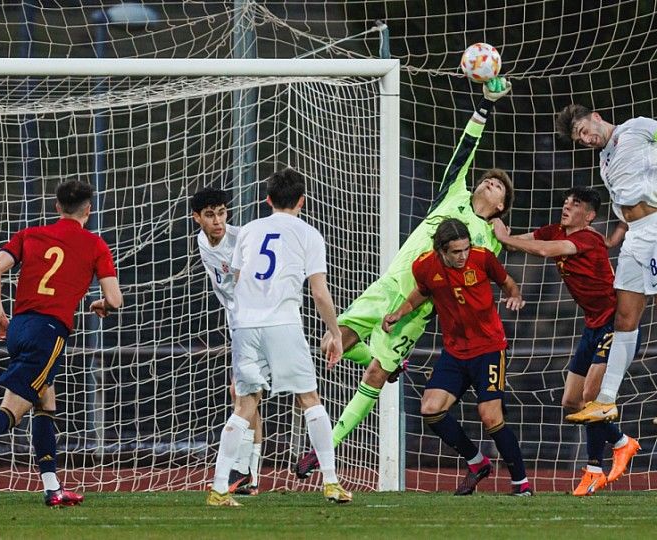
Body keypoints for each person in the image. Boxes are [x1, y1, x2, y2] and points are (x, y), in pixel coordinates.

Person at [295, 79, 515, 478]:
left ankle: (324, 448)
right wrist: (484, 106)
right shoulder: (453, 196)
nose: (489, 181)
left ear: (500, 204)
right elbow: (464, 150)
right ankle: (393, 364)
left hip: (416, 305)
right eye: (488, 178)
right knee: (336, 340)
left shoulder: (489, 242)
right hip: (387, 284)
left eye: (498, 185)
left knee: (374, 374)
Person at [0, 180, 123, 507]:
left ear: (57, 207)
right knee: (11, 412)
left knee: (46, 400)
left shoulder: (30, 235)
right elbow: (115, 298)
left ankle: (52, 488)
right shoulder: (95, 245)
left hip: (18, 327)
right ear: (88, 210)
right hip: (49, 333)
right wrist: (102, 304)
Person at [554, 104, 657, 425]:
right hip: (636, 238)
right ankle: (605, 401)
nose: (585, 138)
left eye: (584, 130)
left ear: (596, 118)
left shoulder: (637, 127)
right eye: (579, 138)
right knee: (625, 318)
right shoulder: (604, 162)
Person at [206, 168, 352, 507]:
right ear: (302, 200)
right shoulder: (309, 234)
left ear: (267, 199)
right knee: (309, 399)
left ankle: (218, 488)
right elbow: (319, 292)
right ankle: (330, 483)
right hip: (282, 322)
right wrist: (335, 333)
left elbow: (238, 278)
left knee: (245, 405)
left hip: (244, 324)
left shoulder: (249, 230)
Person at [492, 187, 641, 496]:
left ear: (589, 215)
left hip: (615, 323)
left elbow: (546, 250)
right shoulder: (556, 230)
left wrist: (505, 238)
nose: (567, 207)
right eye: (566, 202)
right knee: (571, 402)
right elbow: (530, 240)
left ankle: (593, 470)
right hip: (592, 326)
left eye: (576, 205)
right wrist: (494, 232)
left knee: (591, 397)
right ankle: (622, 442)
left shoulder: (587, 239)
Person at [383, 218, 532, 496]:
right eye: (455, 252)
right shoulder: (424, 266)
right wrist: (399, 313)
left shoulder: (482, 258)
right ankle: (477, 462)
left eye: (465, 249)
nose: (463, 256)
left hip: (488, 348)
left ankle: (521, 484)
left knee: (490, 416)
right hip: (454, 351)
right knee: (430, 408)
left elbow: (509, 282)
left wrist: (514, 296)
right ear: (441, 250)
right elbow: (421, 293)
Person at [191, 187, 263, 496]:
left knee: (244, 392)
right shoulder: (201, 241)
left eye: (221, 213)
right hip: (238, 324)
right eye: (210, 215)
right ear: (197, 219)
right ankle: (252, 475)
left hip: (258, 321)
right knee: (248, 395)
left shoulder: (242, 240)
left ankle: (241, 471)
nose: (218, 221)